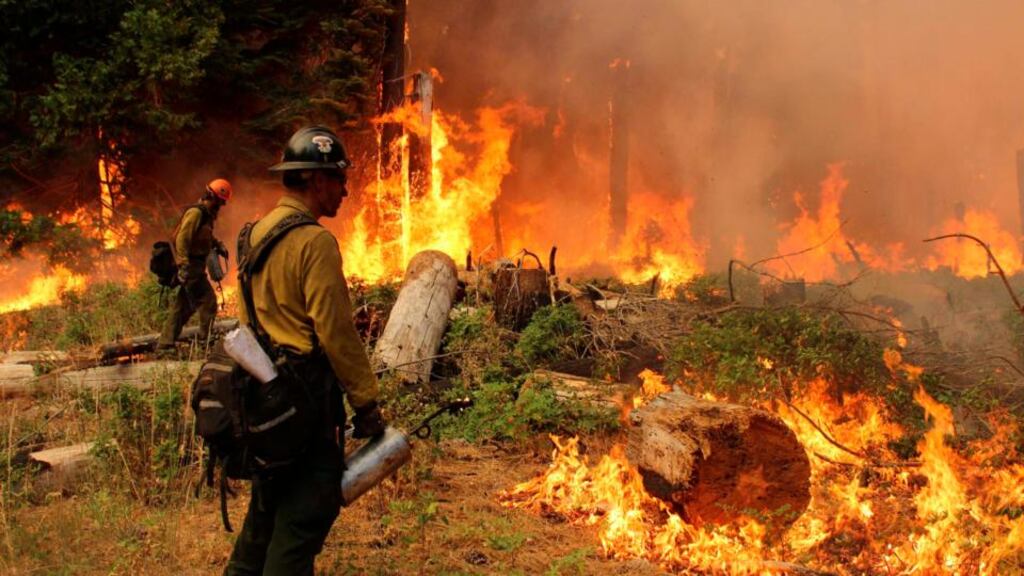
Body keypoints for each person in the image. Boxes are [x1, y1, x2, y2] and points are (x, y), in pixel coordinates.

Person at [224, 126, 385, 575]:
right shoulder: (315, 242)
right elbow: (335, 332)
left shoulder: (253, 234)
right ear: (316, 180)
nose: (345, 189)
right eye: (338, 178)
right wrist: (366, 402)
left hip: (263, 404)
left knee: (262, 519)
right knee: (301, 523)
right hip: (306, 407)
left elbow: (245, 321)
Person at [156, 179, 231, 353]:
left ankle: (165, 345)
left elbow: (203, 236)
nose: (220, 206)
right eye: (219, 202)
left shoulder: (205, 215)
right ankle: (205, 344)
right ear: (212, 197)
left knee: (183, 307)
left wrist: (217, 244)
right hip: (191, 266)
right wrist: (183, 264)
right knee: (209, 302)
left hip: (196, 265)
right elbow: (182, 239)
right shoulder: (196, 213)